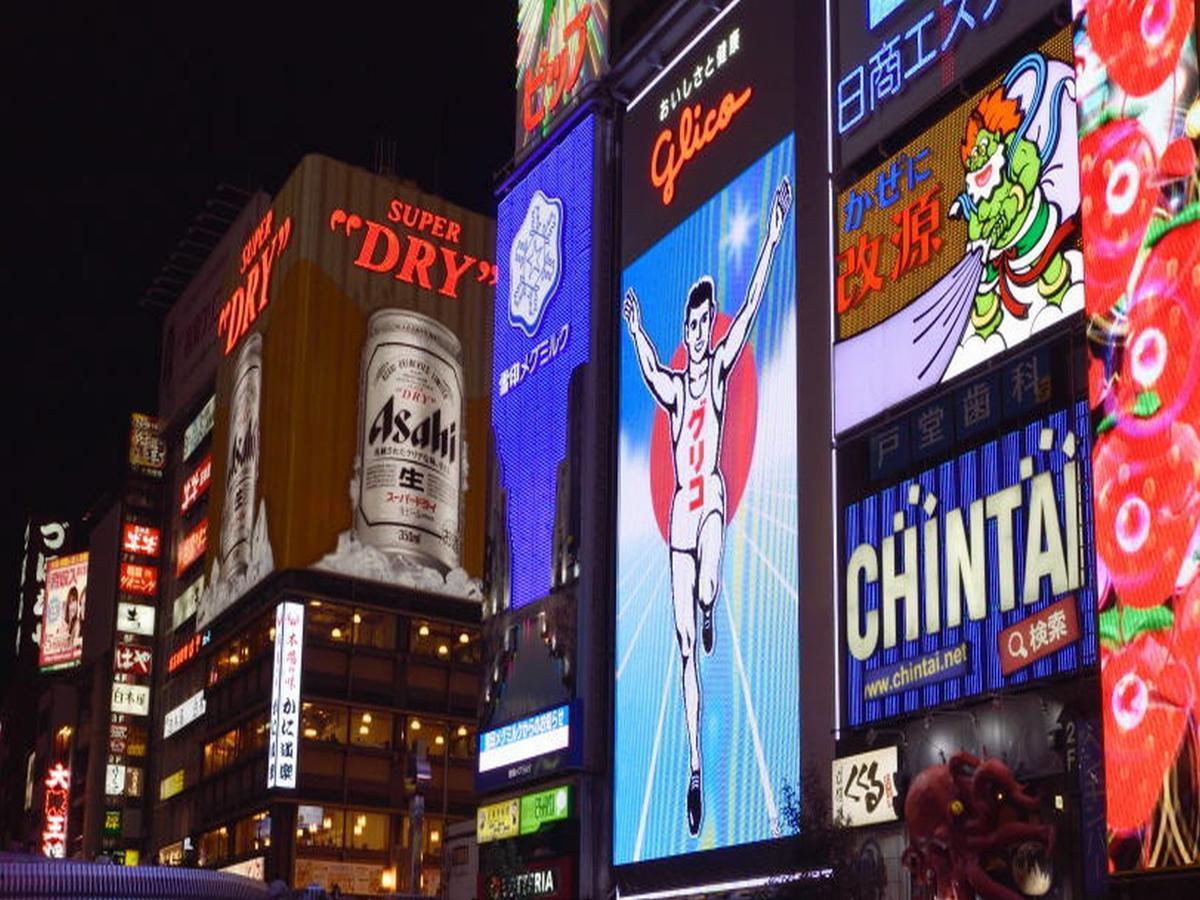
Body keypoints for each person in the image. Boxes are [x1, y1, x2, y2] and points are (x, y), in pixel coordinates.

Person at [622, 176, 791, 836]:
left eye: (701, 322)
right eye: (690, 324)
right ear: (683, 329)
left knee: (709, 584)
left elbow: (751, 307)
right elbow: (645, 367)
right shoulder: (671, 382)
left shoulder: (718, 368)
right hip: (677, 528)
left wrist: (773, 236)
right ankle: (695, 767)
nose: (696, 332)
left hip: (711, 504)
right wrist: (636, 328)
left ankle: (713, 600)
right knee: (686, 651)